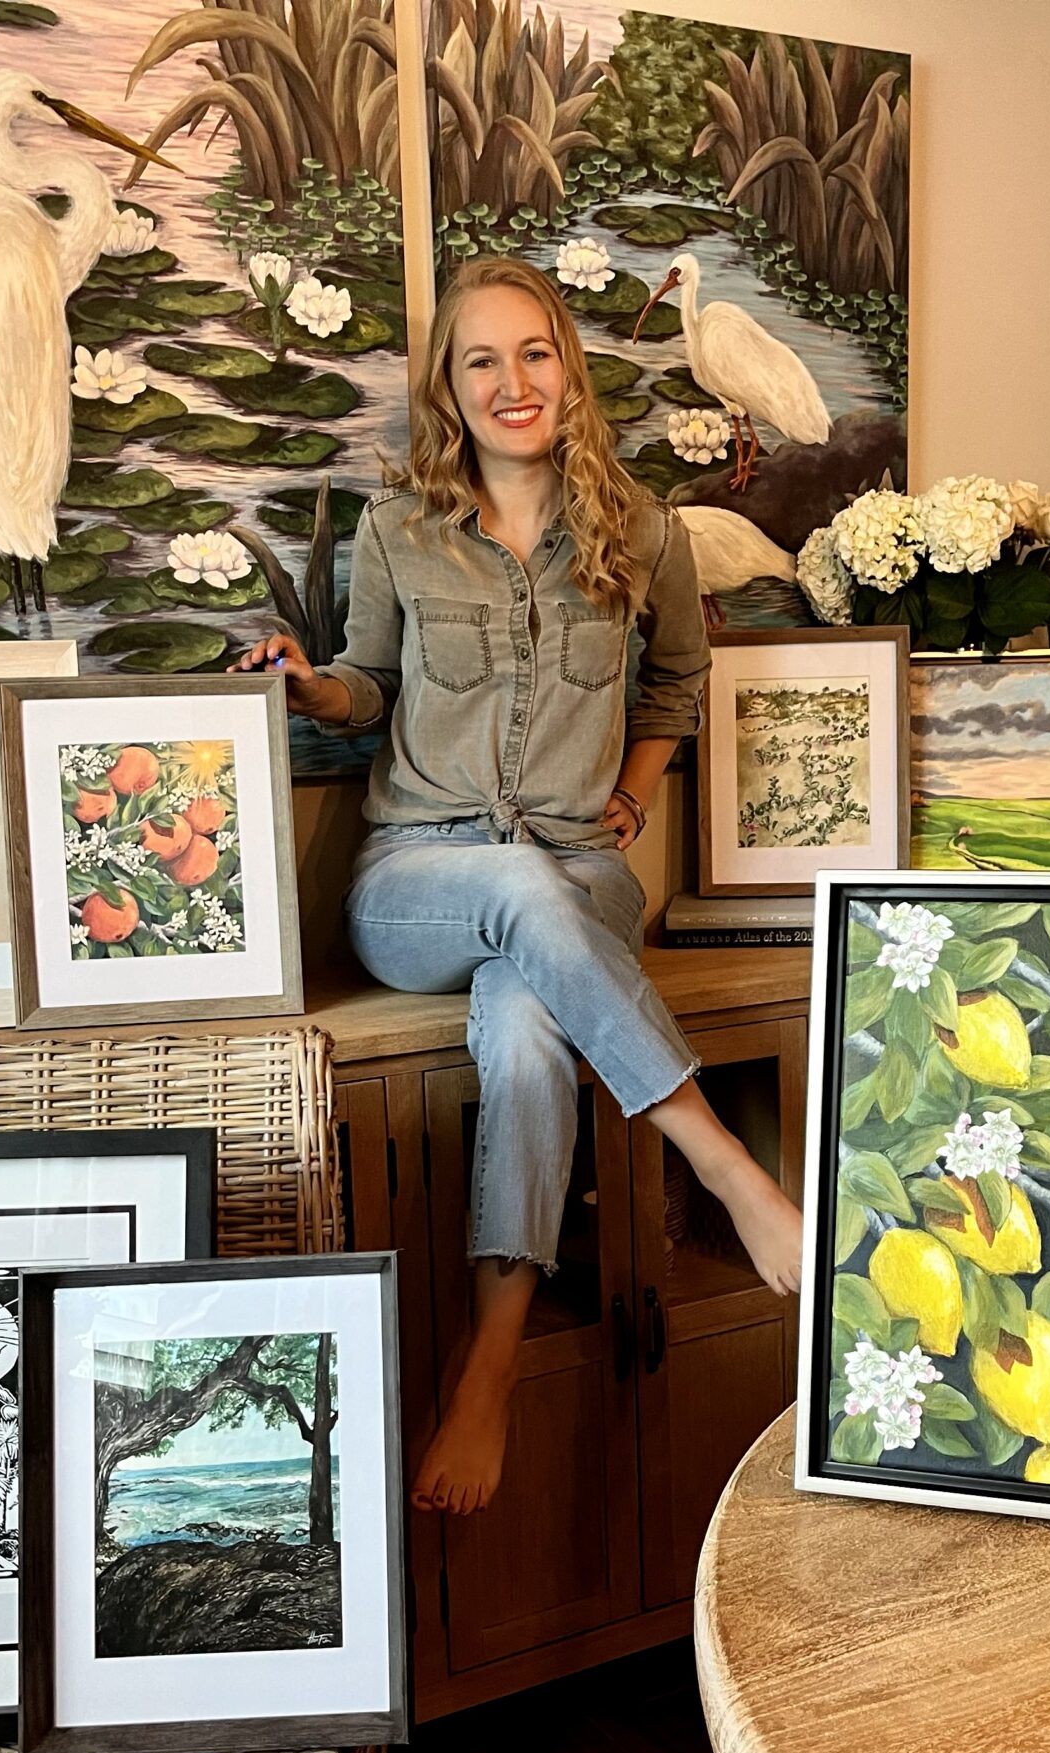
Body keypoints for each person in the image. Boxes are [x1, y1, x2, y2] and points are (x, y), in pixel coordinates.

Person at [232, 256, 803, 1517]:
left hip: (583, 876)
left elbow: (675, 685)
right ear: (450, 385)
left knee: (532, 1023)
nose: (512, 382)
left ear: (569, 368)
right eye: (480, 360)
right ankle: (724, 1166)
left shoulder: (643, 534)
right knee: (512, 897)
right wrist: (308, 685)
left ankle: (486, 1363)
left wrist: (640, 790)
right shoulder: (399, 529)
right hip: (416, 880)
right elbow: (367, 687)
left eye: (534, 353)